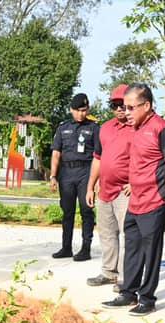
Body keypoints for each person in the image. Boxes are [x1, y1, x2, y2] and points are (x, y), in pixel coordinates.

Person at [101, 83, 165, 316]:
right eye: (124, 107)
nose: (126, 112)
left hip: (153, 202)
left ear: (146, 105)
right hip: (135, 201)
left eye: (130, 107)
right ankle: (129, 293)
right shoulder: (136, 128)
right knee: (133, 249)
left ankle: (147, 299)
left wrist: (164, 192)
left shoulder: (161, 128)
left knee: (151, 252)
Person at [86, 84, 133, 288]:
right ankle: (108, 272)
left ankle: (125, 277)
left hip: (126, 191)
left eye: (123, 104)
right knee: (106, 233)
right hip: (105, 190)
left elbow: (147, 159)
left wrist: (135, 182)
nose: (119, 109)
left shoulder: (137, 127)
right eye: (115, 105)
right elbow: (97, 158)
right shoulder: (104, 128)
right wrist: (90, 186)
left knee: (128, 235)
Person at [49, 93, 99, 261]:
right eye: (77, 110)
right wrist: (53, 176)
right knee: (67, 211)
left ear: (88, 110)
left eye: (84, 110)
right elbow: (56, 154)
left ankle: (86, 249)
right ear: (71, 110)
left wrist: (96, 181)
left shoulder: (94, 128)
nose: (81, 114)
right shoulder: (63, 128)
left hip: (86, 172)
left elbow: (99, 156)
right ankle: (66, 247)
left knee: (86, 210)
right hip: (66, 174)